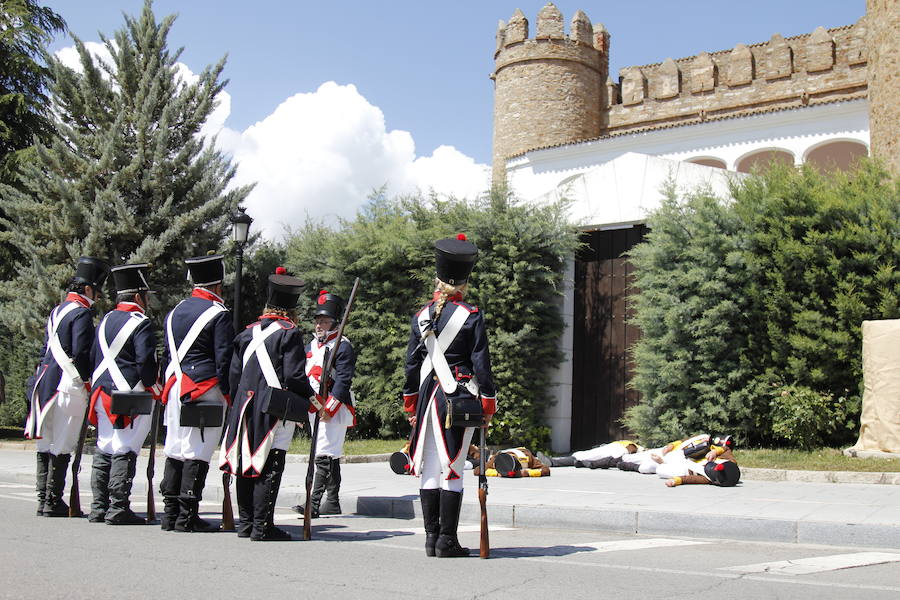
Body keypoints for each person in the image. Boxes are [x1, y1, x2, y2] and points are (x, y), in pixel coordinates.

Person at [403, 234, 497, 558]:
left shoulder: (422, 316)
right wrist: (488, 403)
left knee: (429, 466)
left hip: (428, 396)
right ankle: (447, 540)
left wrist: (411, 403)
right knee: (453, 467)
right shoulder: (471, 316)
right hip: (455, 400)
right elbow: (481, 366)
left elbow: (411, 366)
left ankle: (431, 540)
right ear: (464, 281)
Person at [220, 268, 317, 541]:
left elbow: (234, 376)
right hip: (274, 408)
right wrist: (312, 399)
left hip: (243, 406)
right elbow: (294, 376)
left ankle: (247, 524)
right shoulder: (289, 333)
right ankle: (263, 526)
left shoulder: (247, 333)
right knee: (270, 463)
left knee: (246, 462)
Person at [25, 256, 110, 517]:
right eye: (96, 291)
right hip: (67, 383)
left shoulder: (57, 311)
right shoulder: (82, 313)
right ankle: (53, 500)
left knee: (46, 440)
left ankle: (44, 498)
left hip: (45, 381)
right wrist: (86, 383)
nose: (96, 296)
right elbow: (81, 352)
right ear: (88, 289)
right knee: (63, 441)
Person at [160, 254, 234, 532]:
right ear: (217, 286)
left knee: (176, 447)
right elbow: (223, 359)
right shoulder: (218, 314)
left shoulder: (175, 310)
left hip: (176, 385)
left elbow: (168, 352)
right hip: (204, 388)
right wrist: (229, 394)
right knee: (197, 450)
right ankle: (186, 516)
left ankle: (170, 514)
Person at [87, 263, 160, 525]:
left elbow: (94, 357)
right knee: (125, 448)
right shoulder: (141, 323)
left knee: (105, 446)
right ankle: (118, 507)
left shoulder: (105, 319)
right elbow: (146, 365)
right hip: (130, 395)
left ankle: (98, 507)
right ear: (138, 297)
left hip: (101, 394)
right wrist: (154, 387)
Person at [298, 289, 357, 517]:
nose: (319, 325)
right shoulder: (311, 346)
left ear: (334, 324)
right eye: (318, 321)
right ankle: (332, 501)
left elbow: (343, 380)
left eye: (324, 321)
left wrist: (329, 409)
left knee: (322, 453)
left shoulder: (343, 346)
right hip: (314, 407)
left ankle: (312, 503)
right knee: (330, 454)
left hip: (333, 408)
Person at [658, 435, 740, 487]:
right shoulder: (729, 460)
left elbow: (690, 479)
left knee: (660, 470)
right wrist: (715, 451)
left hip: (685, 469)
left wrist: (675, 481)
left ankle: (661, 462)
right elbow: (726, 449)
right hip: (682, 455)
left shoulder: (710, 479)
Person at [540, 440, 641, 468]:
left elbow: (631, 448)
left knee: (583, 455)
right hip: (614, 450)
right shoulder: (633, 445)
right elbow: (631, 448)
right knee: (584, 456)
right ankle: (552, 461)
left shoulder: (635, 447)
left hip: (615, 451)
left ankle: (552, 462)